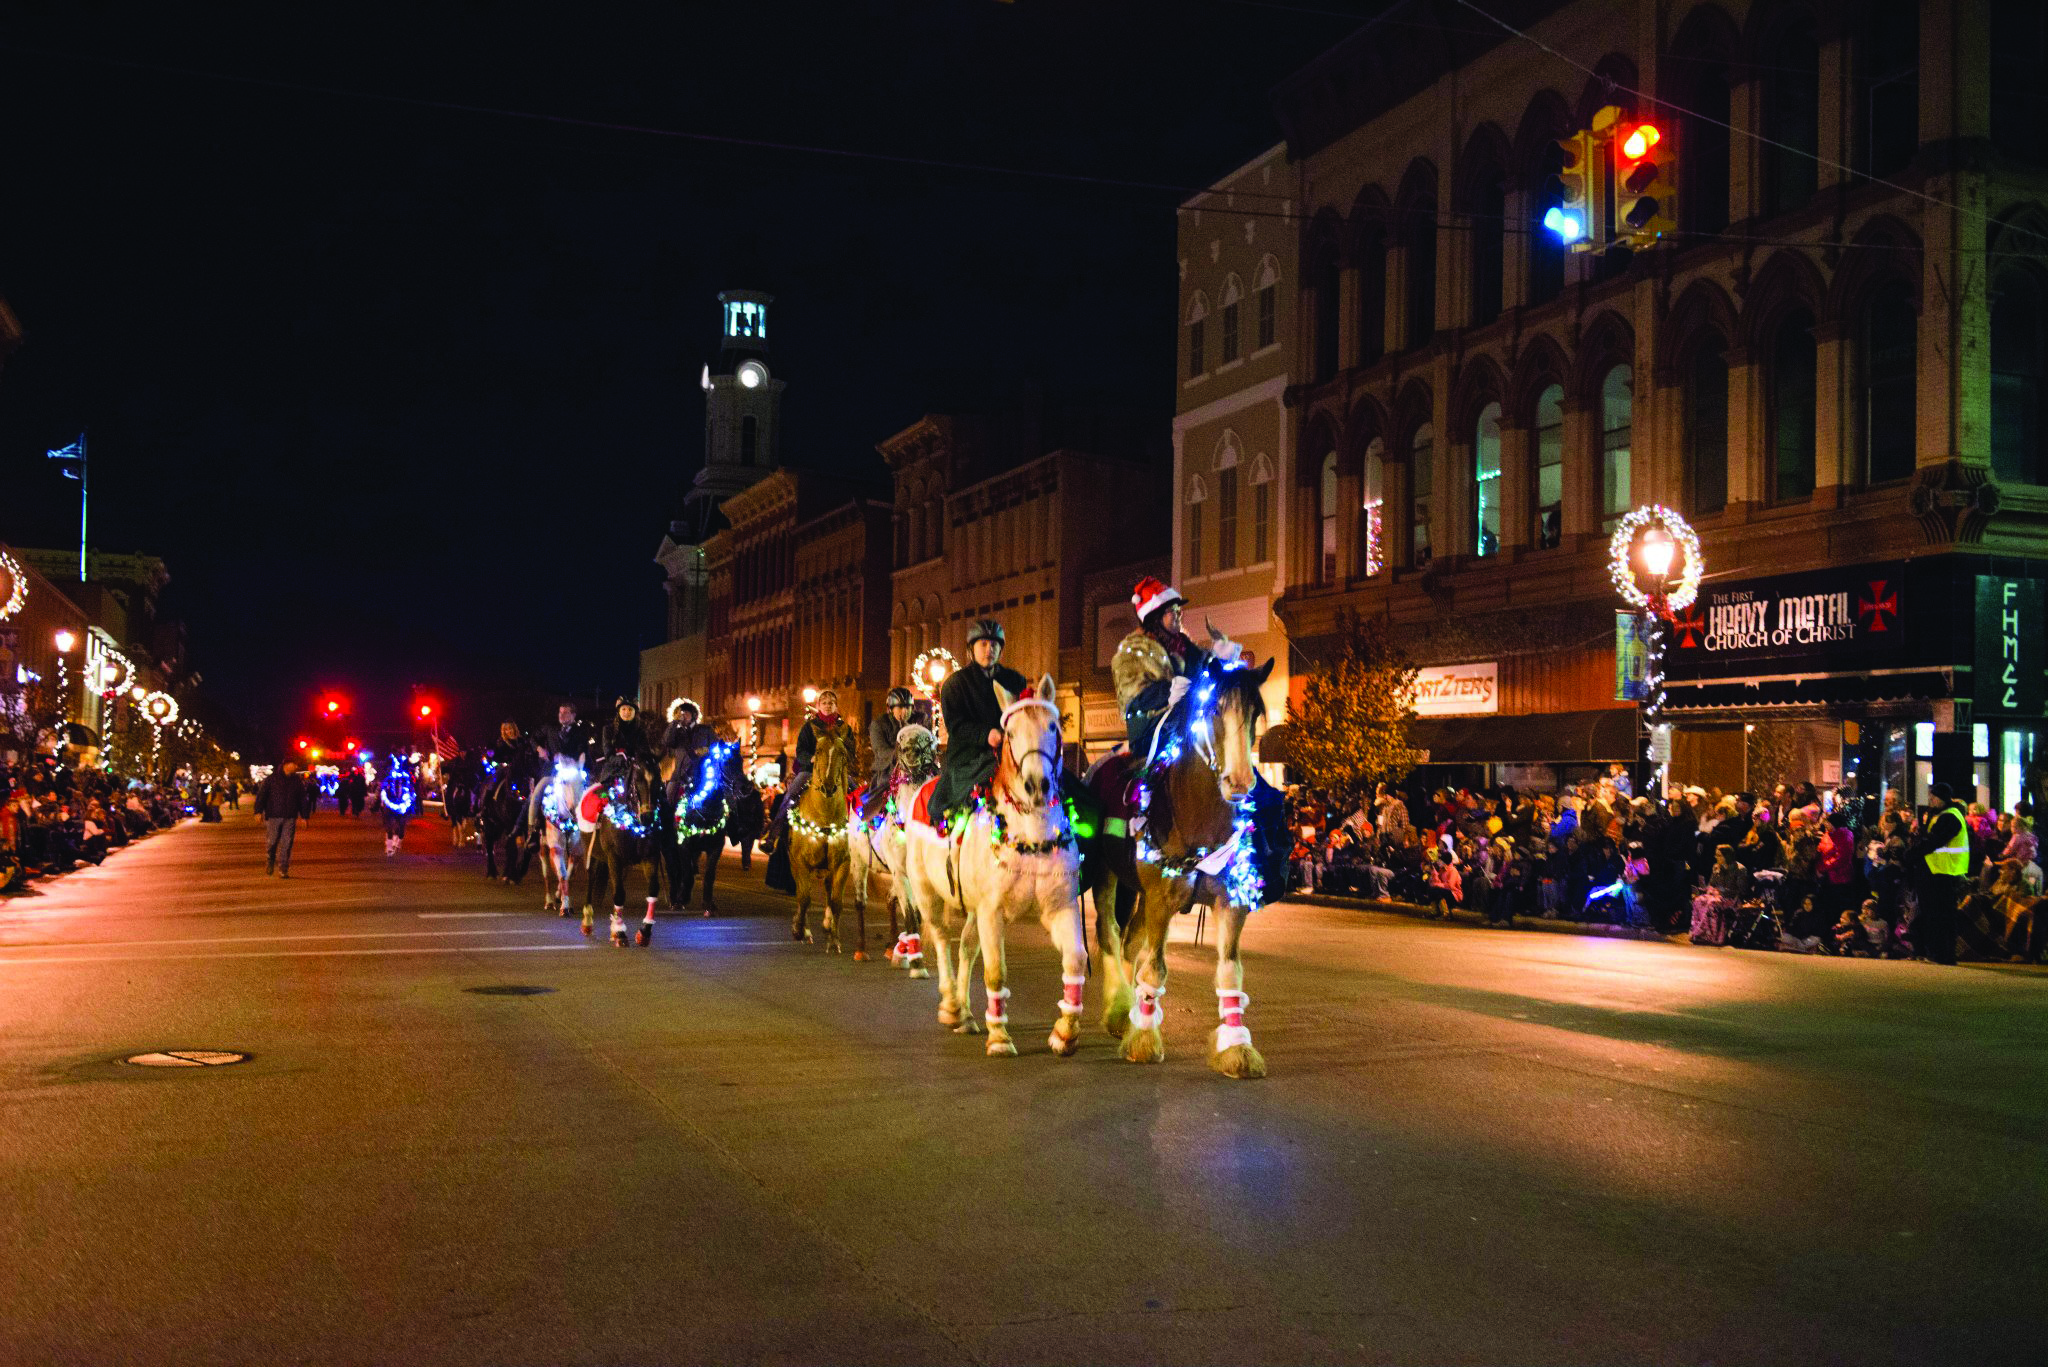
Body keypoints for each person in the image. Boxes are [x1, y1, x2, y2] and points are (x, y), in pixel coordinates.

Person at [1112, 576, 1239, 757]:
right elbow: (1134, 699)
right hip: (1151, 738)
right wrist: (1167, 692)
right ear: (1155, 617)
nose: (1180, 614)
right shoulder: (1132, 653)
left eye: (1179, 609)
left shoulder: (1188, 648)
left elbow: (1208, 674)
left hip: (1190, 731)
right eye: (1173, 610)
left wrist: (1221, 659)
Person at [926, 620, 1027, 826]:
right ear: (971, 649)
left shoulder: (1015, 681)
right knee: (951, 807)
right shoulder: (955, 684)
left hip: (1010, 754)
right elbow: (956, 725)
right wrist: (985, 734)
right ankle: (951, 843)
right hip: (969, 758)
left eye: (994, 644)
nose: (989, 649)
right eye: (983, 644)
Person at [1908, 782, 1970, 964]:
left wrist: (1911, 854)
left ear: (1942, 798)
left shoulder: (1949, 817)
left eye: (1934, 797)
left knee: (1939, 915)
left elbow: (1933, 841)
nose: (1931, 800)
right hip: (1937, 871)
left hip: (1941, 872)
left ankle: (1942, 954)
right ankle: (1937, 952)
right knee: (1936, 914)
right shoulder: (1943, 815)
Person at [254, 761, 305, 877]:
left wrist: (304, 816)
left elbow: (302, 798)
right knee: (272, 842)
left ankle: (283, 869)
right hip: (273, 816)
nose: (297, 766)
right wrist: (258, 811)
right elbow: (262, 795)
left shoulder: (296, 781)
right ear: (287, 765)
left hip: (290, 817)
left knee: (287, 844)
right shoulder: (272, 779)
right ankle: (270, 859)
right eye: (294, 764)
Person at [869, 687, 915, 794]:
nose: (905, 711)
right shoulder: (879, 724)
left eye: (908, 707)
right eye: (900, 707)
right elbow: (880, 751)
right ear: (890, 708)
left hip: (913, 771)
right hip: (886, 771)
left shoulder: (917, 722)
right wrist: (902, 754)